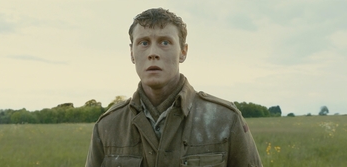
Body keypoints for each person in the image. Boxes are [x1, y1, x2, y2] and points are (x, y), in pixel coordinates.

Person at [86, 8, 262, 167]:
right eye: (144, 43)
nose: (153, 53)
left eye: (165, 42)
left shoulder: (225, 120)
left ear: (183, 52)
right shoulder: (108, 126)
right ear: (132, 53)